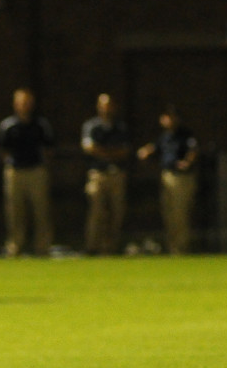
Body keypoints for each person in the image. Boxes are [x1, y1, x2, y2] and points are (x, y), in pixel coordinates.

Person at [0, 88, 55, 257]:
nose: (24, 105)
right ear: (15, 104)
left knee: (41, 211)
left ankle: (43, 248)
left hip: (36, 170)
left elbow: (49, 148)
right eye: (21, 102)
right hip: (15, 172)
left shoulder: (40, 125)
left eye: (27, 102)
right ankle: (15, 248)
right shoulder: (8, 125)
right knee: (15, 212)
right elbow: (3, 150)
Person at [137, 105, 198, 255]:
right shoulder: (164, 136)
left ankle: (181, 249)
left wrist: (187, 163)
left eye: (171, 117)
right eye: (165, 117)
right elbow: (155, 147)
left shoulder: (185, 134)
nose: (168, 120)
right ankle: (173, 248)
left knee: (180, 215)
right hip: (167, 176)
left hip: (181, 178)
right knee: (168, 214)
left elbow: (193, 150)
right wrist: (145, 151)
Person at [81, 93, 132, 255]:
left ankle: (110, 248)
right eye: (103, 105)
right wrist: (111, 153)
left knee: (116, 212)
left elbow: (125, 151)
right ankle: (92, 247)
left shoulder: (120, 127)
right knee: (96, 211)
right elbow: (89, 148)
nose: (106, 109)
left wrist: (102, 152)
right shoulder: (91, 126)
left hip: (116, 174)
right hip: (98, 174)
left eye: (109, 105)